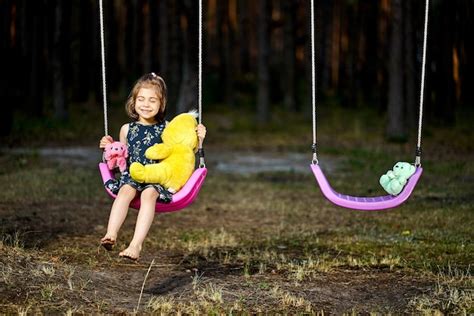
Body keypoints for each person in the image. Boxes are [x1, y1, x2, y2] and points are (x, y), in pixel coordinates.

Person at [99, 72, 206, 261]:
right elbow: (119, 160)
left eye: (152, 100)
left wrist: (200, 139)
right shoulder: (126, 129)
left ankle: (135, 245)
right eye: (141, 99)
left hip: (157, 177)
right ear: (133, 102)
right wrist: (107, 149)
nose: (146, 104)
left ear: (161, 104)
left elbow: (183, 149)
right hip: (132, 175)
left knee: (149, 194)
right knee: (125, 191)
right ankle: (111, 234)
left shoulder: (168, 128)